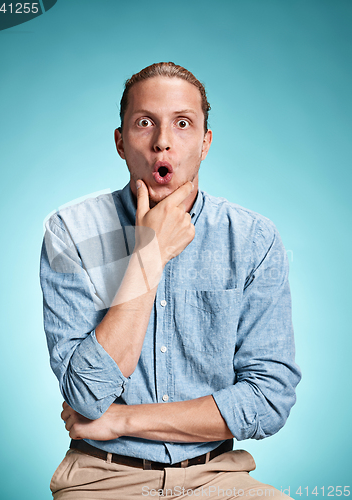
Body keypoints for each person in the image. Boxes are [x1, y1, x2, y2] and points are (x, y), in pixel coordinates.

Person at [40, 62, 301, 499]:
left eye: (183, 124)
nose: (163, 141)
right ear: (121, 142)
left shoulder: (255, 239)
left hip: (218, 477)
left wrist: (124, 420)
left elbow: (269, 398)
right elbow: (87, 396)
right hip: (102, 478)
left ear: (205, 142)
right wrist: (151, 253)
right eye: (145, 123)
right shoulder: (71, 233)